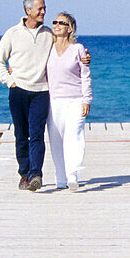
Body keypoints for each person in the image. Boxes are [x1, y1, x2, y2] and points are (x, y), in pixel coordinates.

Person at [0, 0, 52, 191]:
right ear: (28, 11)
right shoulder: (12, 33)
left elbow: (64, 50)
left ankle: (36, 174)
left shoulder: (48, 34)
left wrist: (84, 56)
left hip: (41, 91)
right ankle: (24, 174)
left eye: (44, 8)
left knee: (37, 134)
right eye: (39, 9)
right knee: (21, 135)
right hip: (18, 91)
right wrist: (10, 82)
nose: (43, 12)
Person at [45, 12, 91, 190]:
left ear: (69, 28)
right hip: (53, 101)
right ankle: (60, 178)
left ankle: (73, 175)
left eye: (61, 23)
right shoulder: (47, 47)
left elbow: (85, 76)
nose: (56, 25)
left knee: (74, 135)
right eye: (55, 22)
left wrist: (86, 99)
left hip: (75, 100)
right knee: (55, 139)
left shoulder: (78, 49)